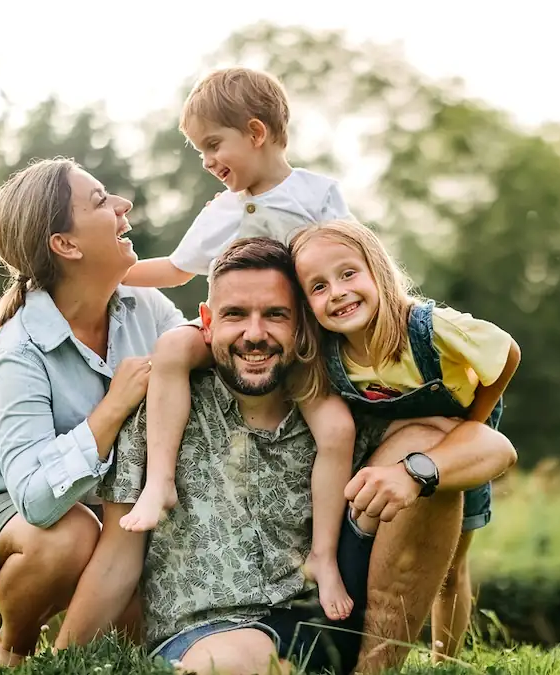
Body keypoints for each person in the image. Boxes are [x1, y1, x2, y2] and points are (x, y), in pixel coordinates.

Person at [57, 236, 518, 674]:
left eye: (275, 315)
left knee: (430, 466)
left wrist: (414, 473)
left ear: (301, 324)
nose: (254, 335)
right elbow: (118, 559)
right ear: (207, 320)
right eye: (235, 314)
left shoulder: (346, 404)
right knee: (230, 665)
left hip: (333, 613)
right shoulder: (158, 414)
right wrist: (60, 661)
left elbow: (494, 447)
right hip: (208, 633)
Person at [117, 66, 362, 622]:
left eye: (212, 145)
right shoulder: (219, 213)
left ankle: (322, 556)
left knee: (338, 430)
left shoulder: (317, 195)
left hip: (297, 347)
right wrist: (112, 273)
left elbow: (354, 261)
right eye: (198, 150)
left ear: (255, 132)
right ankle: (159, 483)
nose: (206, 162)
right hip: (230, 338)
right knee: (175, 350)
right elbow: (178, 271)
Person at [0, 158, 187, 667]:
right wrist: (110, 410)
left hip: (96, 514)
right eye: (99, 201)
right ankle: (13, 649)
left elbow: (190, 366)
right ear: (66, 245)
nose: (122, 206)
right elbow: (34, 501)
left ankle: (69, 655)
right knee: (69, 538)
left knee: (138, 629)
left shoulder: (145, 307)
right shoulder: (19, 350)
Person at [291, 219, 522, 664]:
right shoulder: (332, 353)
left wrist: (472, 422)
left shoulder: (429, 328)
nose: (337, 292)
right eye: (318, 287)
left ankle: (444, 658)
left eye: (347, 274)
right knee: (409, 552)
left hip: (459, 450)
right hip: (398, 450)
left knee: (452, 565)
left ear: (376, 271)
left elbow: (507, 350)